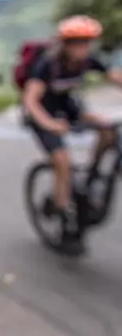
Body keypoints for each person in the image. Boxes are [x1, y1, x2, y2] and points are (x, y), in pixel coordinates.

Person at [22, 15, 122, 255]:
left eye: (87, 42)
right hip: (43, 115)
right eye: (76, 42)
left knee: (108, 130)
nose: (82, 47)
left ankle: (93, 174)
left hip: (67, 107)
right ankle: (61, 210)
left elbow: (116, 77)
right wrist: (50, 124)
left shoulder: (88, 61)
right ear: (65, 44)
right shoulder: (46, 64)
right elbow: (30, 100)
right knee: (62, 161)